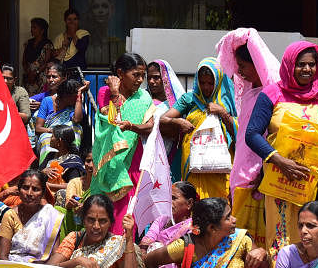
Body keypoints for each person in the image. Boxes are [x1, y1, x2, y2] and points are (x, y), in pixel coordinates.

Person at [248, 41, 318, 255]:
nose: (307, 69)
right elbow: (252, 134)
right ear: (290, 65)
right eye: (301, 64)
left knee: (313, 235)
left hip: (315, 184)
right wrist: (280, 161)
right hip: (279, 180)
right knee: (280, 238)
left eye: (311, 64)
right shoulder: (272, 94)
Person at [217, 29, 280, 248]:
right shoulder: (250, 91)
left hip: (259, 172)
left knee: (260, 234)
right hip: (242, 170)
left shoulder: (270, 93)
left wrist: (262, 171)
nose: (240, 72)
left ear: (257, 64)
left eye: (243, 67)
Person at [91, 53, 155, 232]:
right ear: (120, 73)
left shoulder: (144, 97)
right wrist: (115, 93)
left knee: (126, 215)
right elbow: (110, 119)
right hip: (108, 161)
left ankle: (123, 252)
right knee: (102, 211)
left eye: (143, 75)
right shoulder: (105, 92)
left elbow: (149, 127)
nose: (141, 80)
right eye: (136, 75)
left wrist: (131, 126)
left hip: (132, 161)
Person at [145, 196, 266, 268]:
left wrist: (262, 253)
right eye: (228, 217)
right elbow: (150, 260)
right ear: (212, 228)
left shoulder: (241, 240)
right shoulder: (186, 246)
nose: (235, 219)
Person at [158, 57, 236, 195]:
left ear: (218, 81)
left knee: (219, 206)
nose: (206, 87)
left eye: (211, 83)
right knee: (193, 202)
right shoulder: (190, 99)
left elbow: (238, 132)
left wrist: (222, 113)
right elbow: (162, 119)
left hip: (220, 166)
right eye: (202, 82)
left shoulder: (229, 100)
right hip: (193, 164)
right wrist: (178, 122)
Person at [47, 194, 142, 268]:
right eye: (91, 220)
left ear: (110, 223)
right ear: (83, 220)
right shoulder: (74, 238)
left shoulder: (117, 245)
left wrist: (129, 237)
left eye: (103, 221)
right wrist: (77, 261)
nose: (96, 226)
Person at [0, 170, 63, 262]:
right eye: (25, 188)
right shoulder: (10, 215)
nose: (29, 193)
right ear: (19, 190)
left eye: (35, 189)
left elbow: (54, 256)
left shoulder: (50, 215)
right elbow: (2, 256)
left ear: (43, 192)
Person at [139, 181, 199, 268]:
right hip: (151, 265)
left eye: (174, 198)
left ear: (189, 203)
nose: (169, 202)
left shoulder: (192, 227)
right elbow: (147, 240)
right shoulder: (162, 220)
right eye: (168, 198)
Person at [34, 77, 85, 163]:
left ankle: (71, 161)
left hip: (65, 136)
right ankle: (46, 166)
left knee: (76, 128)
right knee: (47, 140)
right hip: (49, 134)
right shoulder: (47, 101)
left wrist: (79, 97)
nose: (77, 98)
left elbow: (76, 119)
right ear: (66, 96)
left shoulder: (73, 106)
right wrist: (55, 132)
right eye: (75, 96)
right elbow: (38, 128)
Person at [22, 17, 54, 94]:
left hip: (40, 77)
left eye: (34, 27)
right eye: (31, 27)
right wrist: (28, 73)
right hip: (29, 77)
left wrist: (36, 73)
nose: (32, 30)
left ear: (42, 30)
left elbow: (47, 62)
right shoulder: (28, 43)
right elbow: (24, 60)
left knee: (39, 99)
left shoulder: (47, 44)